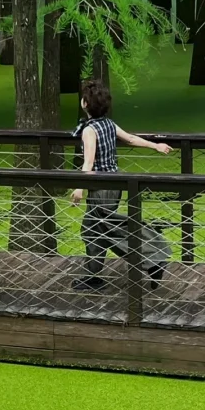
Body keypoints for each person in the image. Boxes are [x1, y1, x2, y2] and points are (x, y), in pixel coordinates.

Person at [70, 79, 173, 291]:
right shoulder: (108, 124)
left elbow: (89, 162)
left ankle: (152, 259)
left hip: (101, 187)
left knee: (102, 228)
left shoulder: (90, 130)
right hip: (114, 184)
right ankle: (95, 275)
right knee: (97, 229)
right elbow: (131, 139)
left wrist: (79, 186)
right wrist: (155, 146)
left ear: (85, 105)